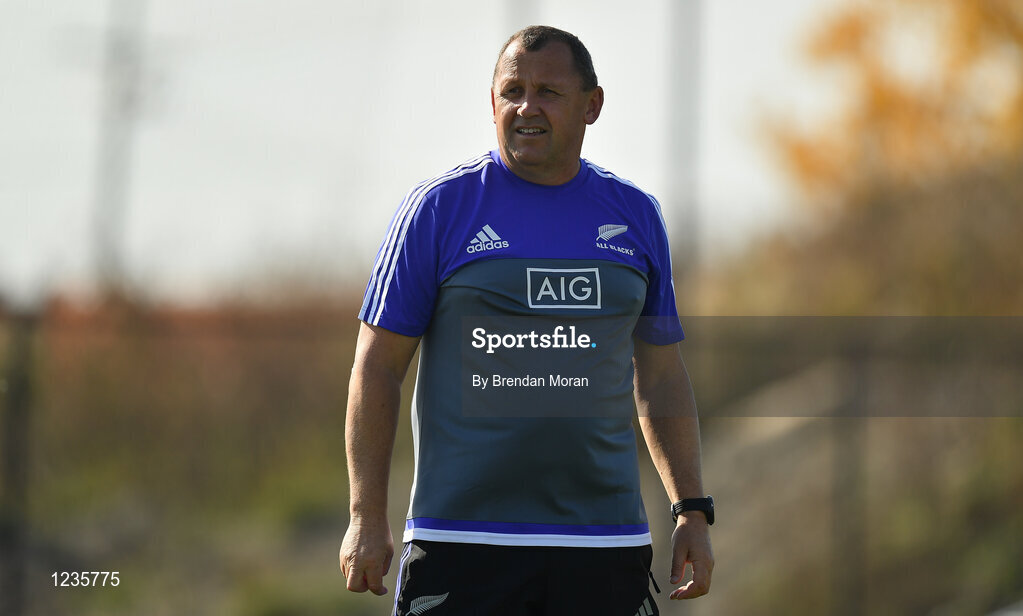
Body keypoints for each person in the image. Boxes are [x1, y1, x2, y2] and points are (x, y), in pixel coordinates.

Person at [340, 25, 713, 615]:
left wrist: (691, 509)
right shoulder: (440, 209)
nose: (526, 107)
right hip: (461, 542)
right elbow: (377, 365)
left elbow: (662, 376)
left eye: (548, 91)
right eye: (511, 91)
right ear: (491, 103)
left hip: (604, 545)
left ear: (592, 106)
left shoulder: (636, 217)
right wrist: (365, 514)